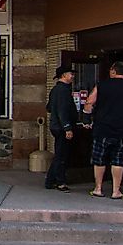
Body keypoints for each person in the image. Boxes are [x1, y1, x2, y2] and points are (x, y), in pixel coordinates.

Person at [83, 61, 123, 200]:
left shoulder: (102, 85)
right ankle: (116, 191)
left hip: (102, 128)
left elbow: (89, 101)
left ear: (114, 72)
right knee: (118, 160)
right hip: (122, 128)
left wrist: (87, 120)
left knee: (99, 159)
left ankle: (98, 188)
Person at [45, 64, 77, 192]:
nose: (73, 76)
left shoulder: (55, 90)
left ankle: (51, 180)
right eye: (71, 74)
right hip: (61, 127)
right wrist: (67, 127)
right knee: (61, 155)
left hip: (56, 125)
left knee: (60, 154)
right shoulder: (63, 91)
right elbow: (62, 110)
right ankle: (60, 181)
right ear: (64, 75)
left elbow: (49, 107)